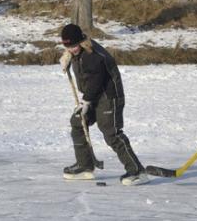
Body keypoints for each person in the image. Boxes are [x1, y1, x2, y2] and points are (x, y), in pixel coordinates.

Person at [59, 23, 150, 186]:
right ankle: (85, 166)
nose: (71, 49)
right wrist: (68, 57)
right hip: (93, 96)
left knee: (111, 133)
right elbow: (83, 71)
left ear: (80, 41)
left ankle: (137, 171)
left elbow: (96, 80)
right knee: (77, 122)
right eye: (68, 47)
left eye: (73, 46)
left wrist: (86, 102)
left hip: (109, 97)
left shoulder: (93, 55)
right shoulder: (77, 51)